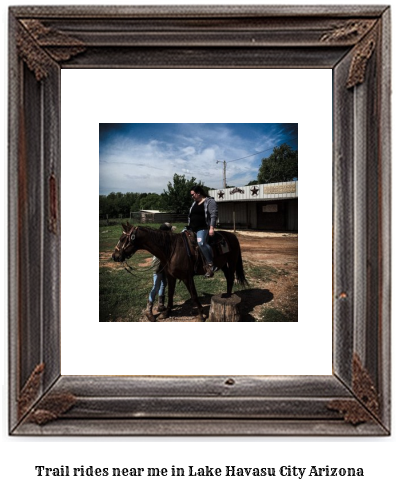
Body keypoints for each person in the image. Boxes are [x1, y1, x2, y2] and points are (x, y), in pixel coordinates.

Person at [145, 223, 175, 321]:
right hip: (158, 265)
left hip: (164, 264)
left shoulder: (163, 238)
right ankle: (148, 309)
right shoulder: (161, 239)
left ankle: (160, 305)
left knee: (163, 284)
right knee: (156, 286)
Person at [188, 185, 218, 277]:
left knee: (201, 243)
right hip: (192, 228)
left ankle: (211, 264)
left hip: (203, 228)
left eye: (193, 194)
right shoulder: (194, 203)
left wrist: (211, 228)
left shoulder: (210, 201)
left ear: (198, 193)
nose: (192, 196)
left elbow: (213, 215)